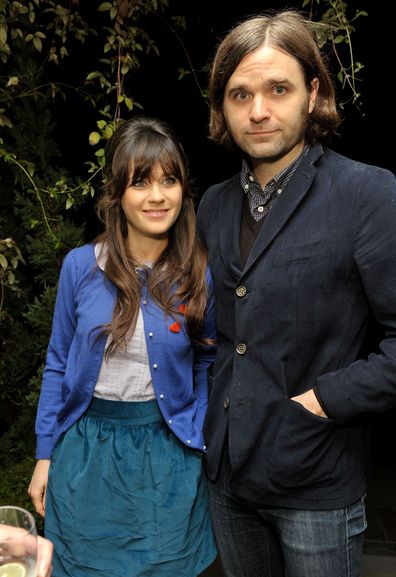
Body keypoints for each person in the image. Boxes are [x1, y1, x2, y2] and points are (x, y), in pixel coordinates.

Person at [196, 9, 396, 577]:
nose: (258, 110)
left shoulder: (367, 193)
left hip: (316, 478)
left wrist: (323, 401)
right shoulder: (211, 205)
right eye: (239, 94)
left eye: (277, 89)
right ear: (222, 107)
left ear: (312, 94)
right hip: (226, 476)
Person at [27, 116, 217, 577]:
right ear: (117, 194)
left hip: (167, 458)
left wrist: (200, 428)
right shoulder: (79, 267)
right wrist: (44, 453)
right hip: (87, 456)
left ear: (183, 190)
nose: (157, 196)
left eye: (168, 180)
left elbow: (208, 360)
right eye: (140, 183)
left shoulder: (199, 274)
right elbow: (57, 363)